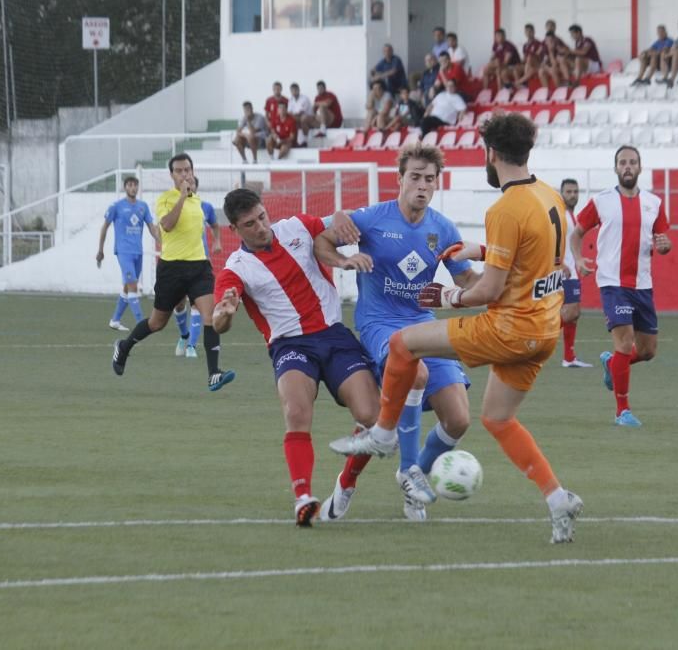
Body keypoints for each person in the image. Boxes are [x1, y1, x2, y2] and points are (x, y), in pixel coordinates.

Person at [330, 113, 585, 545]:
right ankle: (559, 499)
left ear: (491, 154)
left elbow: (487, 288)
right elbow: (538, 254)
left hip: (508, 327)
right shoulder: (550, 197)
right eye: (417, 177)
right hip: (543, 331)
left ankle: (384, 438)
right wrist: (482, 249)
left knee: (404, 346)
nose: (424, 184)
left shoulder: (504, 207)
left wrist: (447, 298)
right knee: (496, 420)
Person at [314, 144, 477, 522]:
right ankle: (398, 475)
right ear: (399, 179)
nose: (422, 185)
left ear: (437, 183)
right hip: (378, 323)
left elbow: (466, 278)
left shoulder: (443, 228)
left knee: (458, 420)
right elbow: (322, 239)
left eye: (429, 179)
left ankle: (410, 475)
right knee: (410, 378)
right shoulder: (371, 219)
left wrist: (507, 284)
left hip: (422, 320)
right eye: (415, 176)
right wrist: (343, 260)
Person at [212, 188, 378, 527]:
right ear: (234, 230)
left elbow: (338, 223)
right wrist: (225, 312)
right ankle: (303, 498)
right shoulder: (236, 268)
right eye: (250, 224)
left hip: (334, 335)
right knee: (296, 411)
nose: (260, 227)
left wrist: (344, 217)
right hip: (290, 347)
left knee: (371, 415)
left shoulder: (297, 227)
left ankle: (346, 484)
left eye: (262, 217)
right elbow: (219, 321)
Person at [111, 153, 235, 391]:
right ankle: (123, 347)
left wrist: (216, 241)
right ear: (172, 175)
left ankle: (213, 374)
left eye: (187, 169)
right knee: (157, 323)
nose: (184, 174)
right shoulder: (166, 199)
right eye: (179, 171)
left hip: (199, 266)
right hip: (172, 269)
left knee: (211, 316)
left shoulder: (198, 201)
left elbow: (207, 226)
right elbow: (167, 225)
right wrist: (181, 197)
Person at [569, 146, 672, 428]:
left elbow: (662, 240)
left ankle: (612, 363)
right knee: (625, 342)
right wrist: (579, 258)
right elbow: (576, 234)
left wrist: (665, 246)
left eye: (632, 162)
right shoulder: (602, 201)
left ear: (640, 167)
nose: (628, 167)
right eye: (623, 163)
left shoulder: (654, 203)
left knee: (648, 350)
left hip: (643, 284)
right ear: (616, 168)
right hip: (613, 283)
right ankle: (622, 411)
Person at [96, 176, 160, 332]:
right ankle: (141, 322)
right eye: (130, 185)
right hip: (123, 252)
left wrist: (161, 241)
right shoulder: (116, 206)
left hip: (138, 252)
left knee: (127, 287)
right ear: (125, 188)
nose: (133, 188)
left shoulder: (143, 207)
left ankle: (115, 320)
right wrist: (100, 250)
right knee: (133, 285)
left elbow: (151, 227)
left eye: (135, 185)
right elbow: (104, 227)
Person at [173, 176, 223, 358]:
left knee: (197, 304)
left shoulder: (205, 207)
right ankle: (183, 335)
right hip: (178, 263)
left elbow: (215, 226)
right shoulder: (174, 206)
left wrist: (217, 241)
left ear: (195, 187)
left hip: (200, 262)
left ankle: (191, 346)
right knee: (179, 304)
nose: (189, 185)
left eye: (192, 183)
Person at [559, 178, 591, 368]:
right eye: (569, 192)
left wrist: (579, 262)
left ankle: (569, 357)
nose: (572, 195)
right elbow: (550, 241)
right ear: (561, 194)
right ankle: (532, 337)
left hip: (572, 270)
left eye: (575, 192)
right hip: (563, 271)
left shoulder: (573, 216)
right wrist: (559, 263)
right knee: (571, 311)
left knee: (573, 313)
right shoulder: (561, 216)